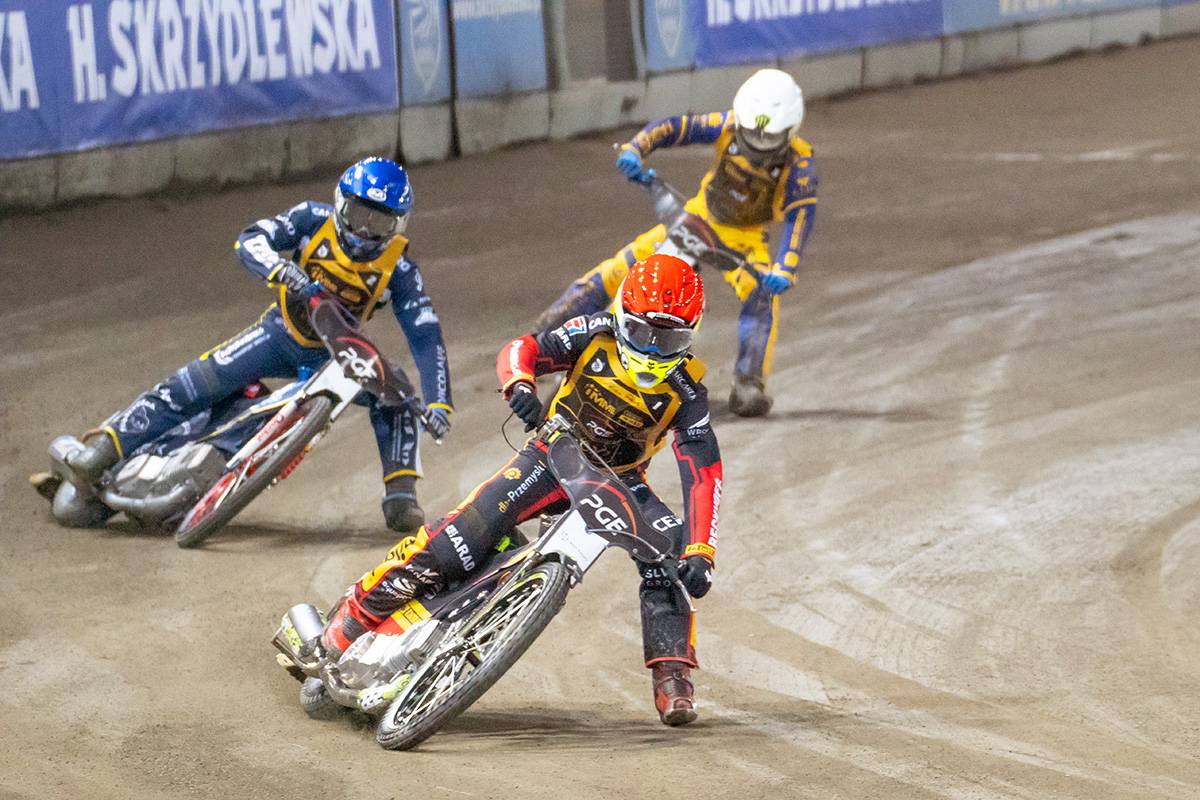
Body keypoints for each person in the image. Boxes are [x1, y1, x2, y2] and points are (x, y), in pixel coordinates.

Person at [321, 254, 723, 726]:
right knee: (461, 536)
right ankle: (356, 616)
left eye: (668, 339)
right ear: (621, 315)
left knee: (671, 557)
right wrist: (520, 386)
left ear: (691, 335)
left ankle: (673, 678)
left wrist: (701, 551)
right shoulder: (593, 332)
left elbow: (704, 472)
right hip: (555, 453)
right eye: (642, 333)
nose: (652, 350)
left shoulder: (689, 393)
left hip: (623, 481)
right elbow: (524, 348)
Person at [58, 157, 453, 533]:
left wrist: (439, 403)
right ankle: (105, 450)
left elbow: (426, 334)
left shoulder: (401, 269)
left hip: (339, 357)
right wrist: (279, 268)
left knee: (396, 396)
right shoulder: (310, 218)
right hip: (278, 333)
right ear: (340, 202)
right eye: (358, 214)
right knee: (192, 383)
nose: (364, 232)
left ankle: (401, 497)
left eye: (379, 222)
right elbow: (251, 238)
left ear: (399, 224)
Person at [536, 68, 817, 418]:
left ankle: (749, 383)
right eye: (751, 132)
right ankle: (545, 333)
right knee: (624, 265)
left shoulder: (800, 163)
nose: (757, 142)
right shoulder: (729, 125)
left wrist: (786, 266)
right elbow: (676, 127)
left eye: (768, 138)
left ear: (790, 131)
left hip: (745, 238)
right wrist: (636, 148)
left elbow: (800, 216)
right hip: (699, 217)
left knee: (762, 296)